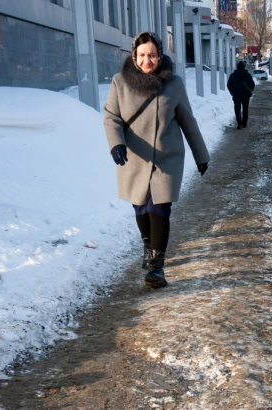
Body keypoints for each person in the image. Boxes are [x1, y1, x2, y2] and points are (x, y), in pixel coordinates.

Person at [103, 32, 210, 288]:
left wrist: (201, 155)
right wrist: (116, 143)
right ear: (134, 56)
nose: (147, 60)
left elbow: (187, 120)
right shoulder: (120, 82)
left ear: (159, 55)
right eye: (142, 55)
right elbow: (111, 117)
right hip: (135, 158)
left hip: (167, 158)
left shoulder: (173, 84)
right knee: (141, 209)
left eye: (151, 55)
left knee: (159, 209)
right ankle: (149, 248)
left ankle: (156, 266)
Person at [226, 61, 255, 130]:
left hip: (236, 95)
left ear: (237, 67)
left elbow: (229, 85)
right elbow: (252, 84)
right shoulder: (247, 75)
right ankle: (244, 123)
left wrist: (232, 92)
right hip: (246, 96)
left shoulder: (233, 75)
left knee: (237, 110)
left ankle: (239, 124)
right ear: (244, 67)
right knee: (245, 110)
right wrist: (249, 91)